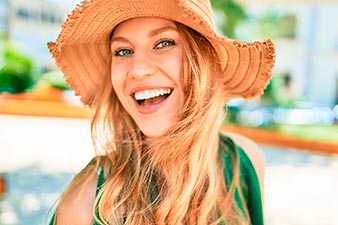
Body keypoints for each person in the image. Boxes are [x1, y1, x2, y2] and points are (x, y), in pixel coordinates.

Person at [48, 0, 275, 224]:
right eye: (123, 51)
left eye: (164, 43)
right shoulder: (86, 202)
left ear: (203, 60)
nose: (138, 69)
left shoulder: (243, 163)